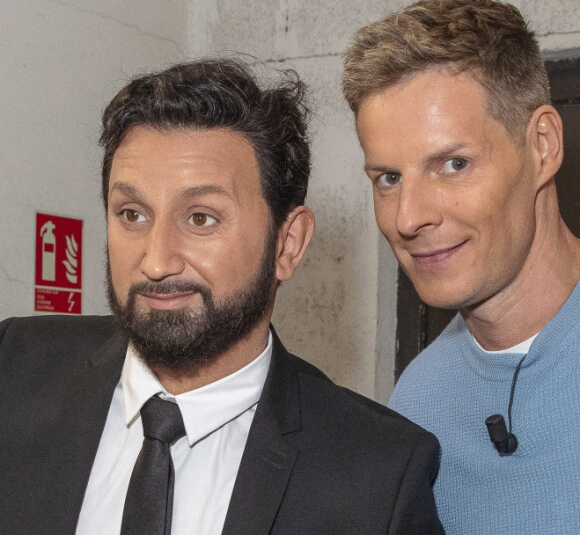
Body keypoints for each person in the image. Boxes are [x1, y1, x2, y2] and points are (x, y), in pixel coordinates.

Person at [0, 58, 444, 534]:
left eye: (200, 219)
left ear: (287, 243)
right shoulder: (14, 368)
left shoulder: (377, 476)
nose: (156, 261)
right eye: (132, 214)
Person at [342, 0, 580, 534]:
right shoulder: (417, 402)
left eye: (453, 164)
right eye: (389, 178)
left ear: (542, 145)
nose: (408, 217)